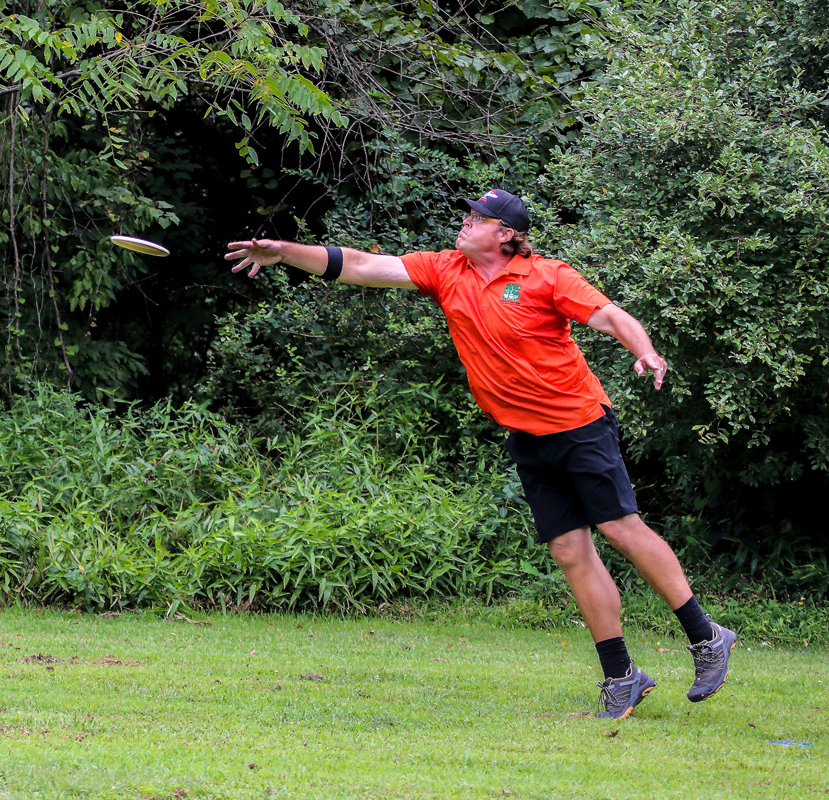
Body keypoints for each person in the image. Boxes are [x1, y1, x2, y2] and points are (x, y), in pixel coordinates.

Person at [224, 189, 735, 720]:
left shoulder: (548, 276)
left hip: (579, 424)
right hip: (526, 435)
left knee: (619, 529)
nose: (466, 222)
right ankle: (621, 676)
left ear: (506, 234)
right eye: (468, 214)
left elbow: (610, 316)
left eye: (479, 218)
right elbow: (359, 265)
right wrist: (284, 251)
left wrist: (645, 350)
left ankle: (706, 637)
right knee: (568, 550)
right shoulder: (446, 269)